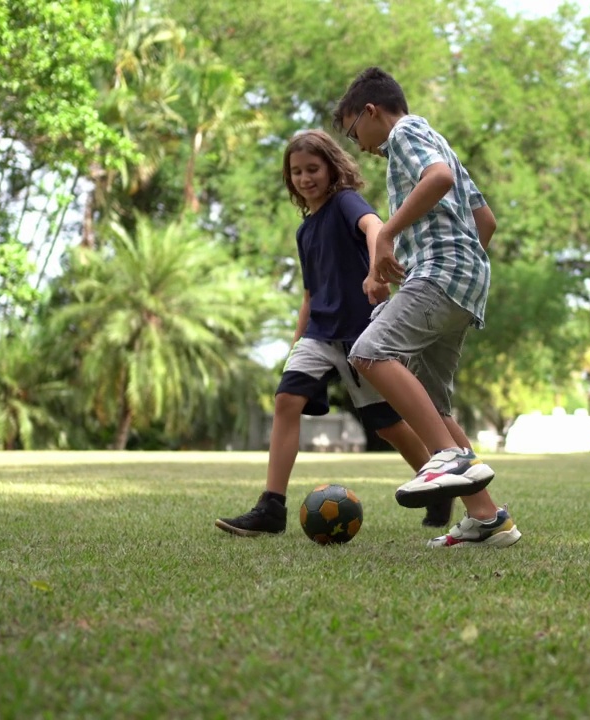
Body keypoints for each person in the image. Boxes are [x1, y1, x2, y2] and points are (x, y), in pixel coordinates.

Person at [216, 129, 454, 537]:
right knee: (287, 399)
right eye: (296, 172)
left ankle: (438, 483)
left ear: (331, 169)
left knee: (387, 424)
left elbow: (374, 225)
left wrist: (378, 266)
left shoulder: (346, 202)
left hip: (362, 333)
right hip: (319, 333)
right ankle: (272, 507)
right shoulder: (304, 232)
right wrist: (296, 341)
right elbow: (310, 293)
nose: (305, 178)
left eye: (313, 169)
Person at [332, 67, 521, 548]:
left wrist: (390, 237)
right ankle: (488, 518)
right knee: (434, 408)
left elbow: (435, 179)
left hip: (443, 274)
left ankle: (448, 459)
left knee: (369, 351)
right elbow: (486, 219)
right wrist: (456, 265)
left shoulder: (406, 132)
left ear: (372, 113)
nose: (361, 147)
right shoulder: (442, 144)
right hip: (460, 279)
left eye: (355, 132)